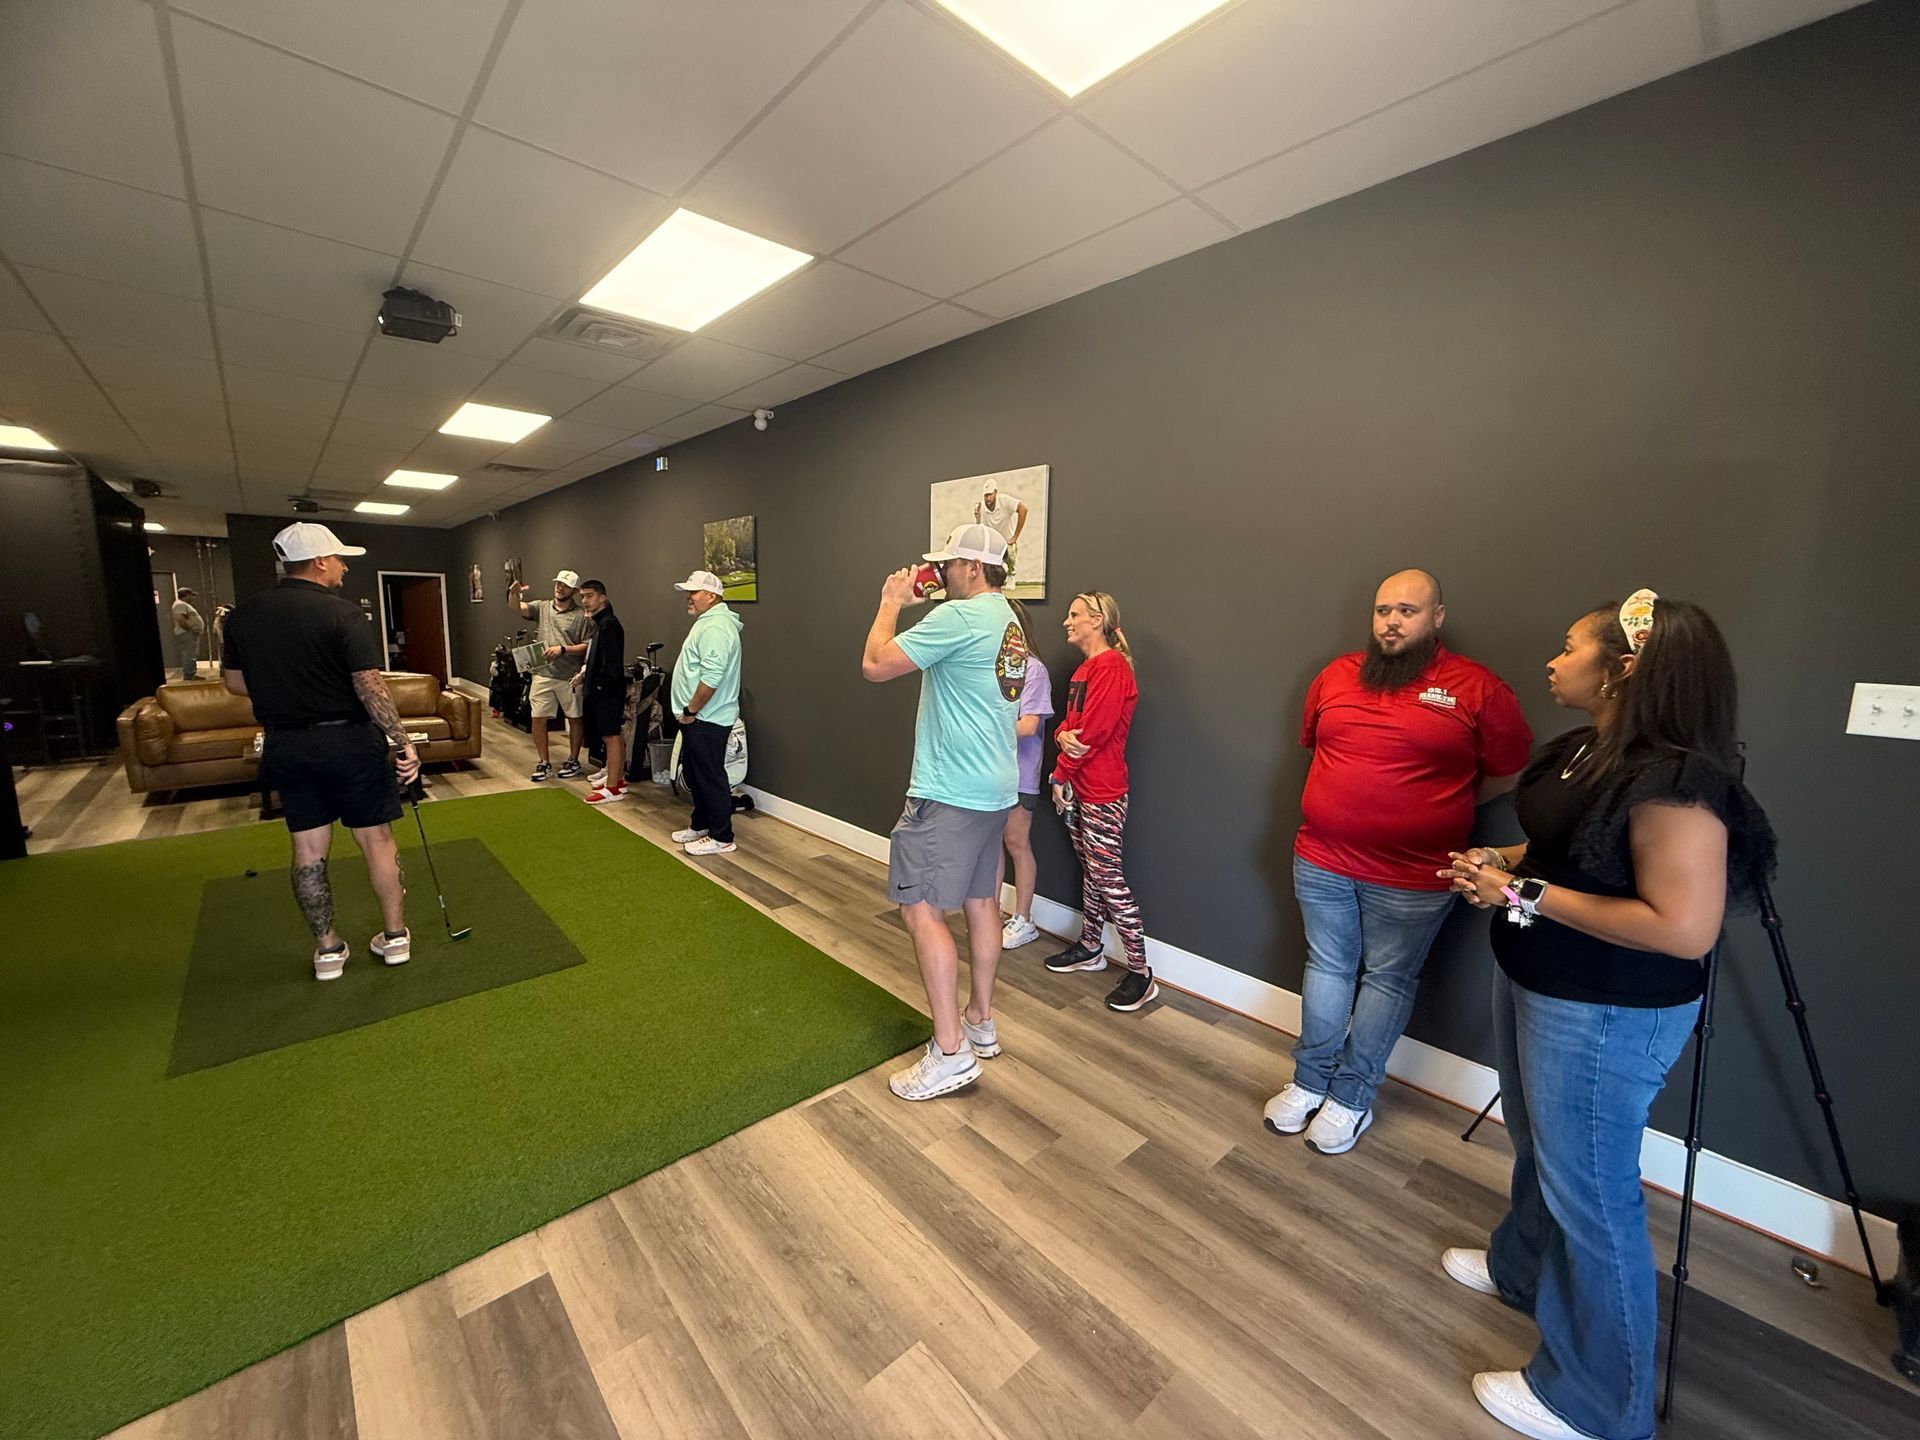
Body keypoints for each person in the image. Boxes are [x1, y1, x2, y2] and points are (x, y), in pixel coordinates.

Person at [1437, 591, 1775, 1440]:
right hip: (1537, 979)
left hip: (1604, 1011)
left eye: (1569, 647)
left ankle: (1594, 1402)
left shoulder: (1677, 783)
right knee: (1540, 1148)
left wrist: (1520, 891)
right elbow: (1561, 849)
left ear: (1623, 668)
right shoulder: (1590, 749)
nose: (1554, 660)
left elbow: (1682, 926)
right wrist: (1502, 862)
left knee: (1592, 1192)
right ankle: (1521, 1270)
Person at [1264, 569, 1532, 1156]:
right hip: (1322, 858)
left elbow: (1511, 768)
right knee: (1328, 968)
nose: (1391, 621)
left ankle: (1352, 1098)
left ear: (1437, 617)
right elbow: (1321, 748)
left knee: (1387, 979)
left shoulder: (1476, 687)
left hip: (1416, 876)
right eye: (1383, 610)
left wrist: (1450, 798)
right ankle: (1310, 1082)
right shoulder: (1335, 675)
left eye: (1408, 611)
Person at [862, 522, 1024, 1101]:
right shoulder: (1009, 619)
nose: (942, 573)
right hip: (994, 789)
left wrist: (890, 604)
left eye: (950, 565)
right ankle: (979, 1019)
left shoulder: (959, 618)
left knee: (921, 909)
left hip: (950, 791)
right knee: (982, 904)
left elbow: (876, 664)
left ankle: (950, 1052)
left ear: (973, 568)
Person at [220, 523, 420, 981]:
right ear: (320, 562)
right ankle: (395, 939)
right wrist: (403, 742)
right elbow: (371, 687)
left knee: (308, 848)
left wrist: (282, 689)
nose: (345, 567)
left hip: (288, 743)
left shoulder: (243, 616)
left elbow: (233, 682)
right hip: (349, 740)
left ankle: (328, 950)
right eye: (340, 559)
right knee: (378, 840)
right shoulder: (344, 615)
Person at [1041, 592, 1154, 1011]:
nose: (1066, 622)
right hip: (1081, 787)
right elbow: (1071, 726)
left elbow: (1096, 732)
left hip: (1104, 791)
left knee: (1108, 878)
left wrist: (1059, 773)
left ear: (1098, 620)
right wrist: (1059, 740)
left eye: (1075, 615)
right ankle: (1091, 947)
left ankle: (1141, 971)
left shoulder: (1112, 667)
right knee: (1091, 870)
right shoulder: (1086, 669)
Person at [669, 568, 744, 857]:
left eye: (694, 592)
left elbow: (712, 678)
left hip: (706, 717)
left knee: (710, 776)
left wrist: (690, 710)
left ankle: (721, 837)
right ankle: (701, 824)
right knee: (695, 773)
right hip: (698, 717)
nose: (689, 598)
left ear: (711, 596)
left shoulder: (715, 627)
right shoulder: (709, 622)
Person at [999, 598, 1052, 949]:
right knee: (990, 847)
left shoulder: (1034, 671)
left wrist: (982, 727)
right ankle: (988, 910)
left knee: (1017, 843)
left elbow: (1029, 725)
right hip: (988, 774)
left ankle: (1024, 919)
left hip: (1020, 775)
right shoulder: (991, 668)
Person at [507, 568, 592, 782]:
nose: (559, 587)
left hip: (569, 675)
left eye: (564, 585)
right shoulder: (542, 607)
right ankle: (544, 762)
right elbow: (517, 608)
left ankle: (573, 759)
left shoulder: (582, 615)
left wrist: (563, 649)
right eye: (557, 583)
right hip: (542, 673)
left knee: (574, 718)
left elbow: (588, 645)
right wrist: (514, 593)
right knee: (538, 719)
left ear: (573, 591)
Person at [572, 579, 628, 805]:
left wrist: (599, 687)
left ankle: (612, 787)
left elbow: (612, 666)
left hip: (608, 692)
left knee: (611, 737)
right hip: (604, 690)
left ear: (602, 598)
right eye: (583, 596)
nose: (585, 601)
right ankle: (619, 780)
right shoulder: (601, 623)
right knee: (614, 736)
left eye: (589, 596)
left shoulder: (609, 625)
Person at [973, 478, 1028, 581]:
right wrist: (977, 518)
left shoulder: (1005, 500)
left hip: (1007, 542)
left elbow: (1023, 509)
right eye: (985, 495)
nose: (988, 498)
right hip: (992, 544)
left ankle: (1011, 574)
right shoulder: (981, 507)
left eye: (990, 494)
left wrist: (1015, 537)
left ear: (995, 492)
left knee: (1011, 553)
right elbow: (979, 529)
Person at [170, 586, 205, 680]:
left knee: (192, 654)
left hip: (189, 633)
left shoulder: (182, 605)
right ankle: (189, 675)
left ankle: (191, 673)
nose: (193, 598)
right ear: (186, 595)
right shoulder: (180, 605)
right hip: (187, 634)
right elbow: (180, 618)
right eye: (191, 595)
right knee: (189, 654)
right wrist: (190, 630)